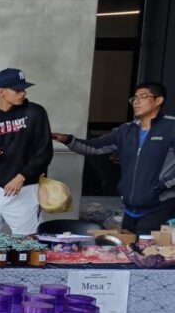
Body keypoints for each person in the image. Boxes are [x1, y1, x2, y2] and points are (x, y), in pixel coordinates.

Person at [52, 82, 175, 235]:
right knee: (129, 253)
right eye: (134, 98)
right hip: (130, 210)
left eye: (143, 97)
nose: (136, 102)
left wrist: (163, 185)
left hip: (160, 206)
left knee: (151, 254)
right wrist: (67, 140)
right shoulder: (126, 130)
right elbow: (94, 147)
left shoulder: (171, 127)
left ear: (158, 100)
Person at [0, 68, 53, 235]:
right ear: (1, 92)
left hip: (26, 188)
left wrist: (22, 176)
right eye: (17, 90)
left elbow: (44, 152)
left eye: (24, 89)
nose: (23, 93)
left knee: (29, 244)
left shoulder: (35, 112)